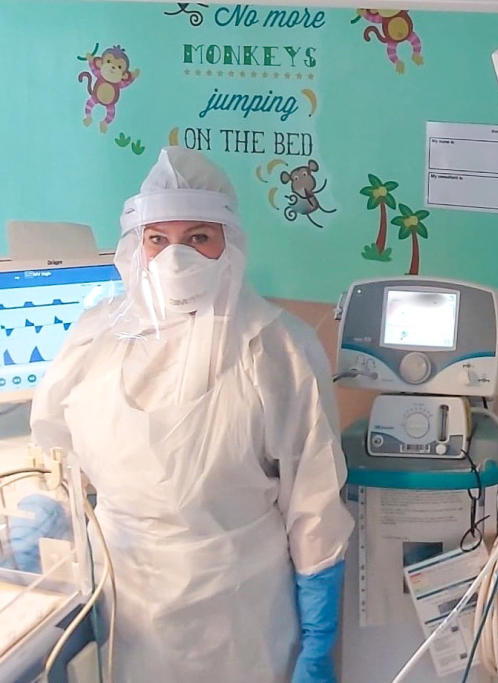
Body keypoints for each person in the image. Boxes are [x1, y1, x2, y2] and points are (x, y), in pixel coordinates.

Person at [30, 146, 355, 682]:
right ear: (137, 247)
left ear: (230, 245)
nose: (175, 257)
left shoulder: (277, 348)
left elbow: (314, 504)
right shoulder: (95, 338)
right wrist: (48, 527)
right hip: (122, 603)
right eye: (158, 239)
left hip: (239, 614)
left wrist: (318, 644)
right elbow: (61, 464)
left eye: (198, 237)